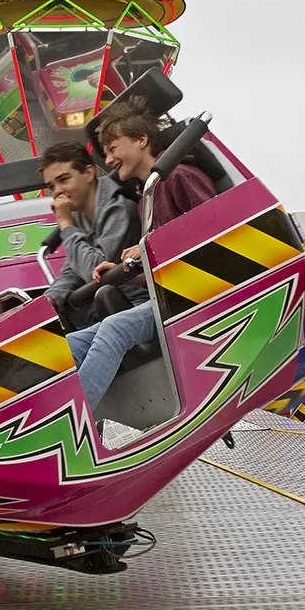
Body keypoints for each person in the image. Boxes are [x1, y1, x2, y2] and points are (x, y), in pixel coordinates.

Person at [67, 99, 218, 412]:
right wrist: (124, 269)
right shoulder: (144, 201)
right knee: (73, 343)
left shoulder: (180, 177)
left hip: (197, 297)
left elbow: (216, 240)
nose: (108, 159)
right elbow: (160, 265)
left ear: (141, 140)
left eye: (112, 148)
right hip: (167, 295)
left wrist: (152, 244)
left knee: (115, 328)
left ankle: (73, 423)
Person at [39, 140, 142, 328]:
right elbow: (72, 271)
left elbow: (95, 270)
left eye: (63, 180)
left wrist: (65, 224)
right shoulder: (79, 218)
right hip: (105, 314)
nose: (57, 192)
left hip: (135, 306)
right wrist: (49, 302)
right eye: (51, 187)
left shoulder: (119, 209)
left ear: (88, 173)